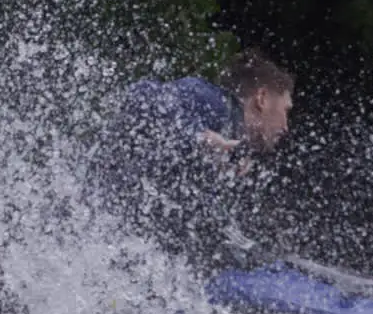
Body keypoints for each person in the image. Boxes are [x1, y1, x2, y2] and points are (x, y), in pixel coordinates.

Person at [87, 48, 295, 264]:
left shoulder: (228, 137)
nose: (286, 126)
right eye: (286, 110)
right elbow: (142, 96)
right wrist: (198, 139)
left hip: (111, 239)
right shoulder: (216, 103)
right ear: (262, 98)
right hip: (97, 221)